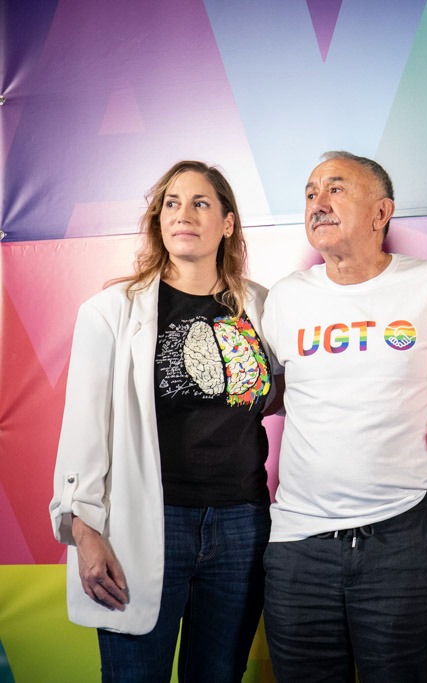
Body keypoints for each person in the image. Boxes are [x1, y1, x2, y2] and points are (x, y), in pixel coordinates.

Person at [49, 160, 276, 681]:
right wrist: (84, 531)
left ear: (228, 222)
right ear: (158, 219)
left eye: (201, 203)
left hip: (241, 522)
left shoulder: (262, 306)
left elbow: (288, 392)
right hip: (148, 522)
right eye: (171, 203)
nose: (183, 215)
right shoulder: (110, 311)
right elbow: (84, 430)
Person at [260, 151, 427, 682]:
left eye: (335, 189)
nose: (317, 203)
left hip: (402, 542)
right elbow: (267, 395)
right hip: (298, 547)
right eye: (309, 193)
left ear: (382, 212)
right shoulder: (284, 298)